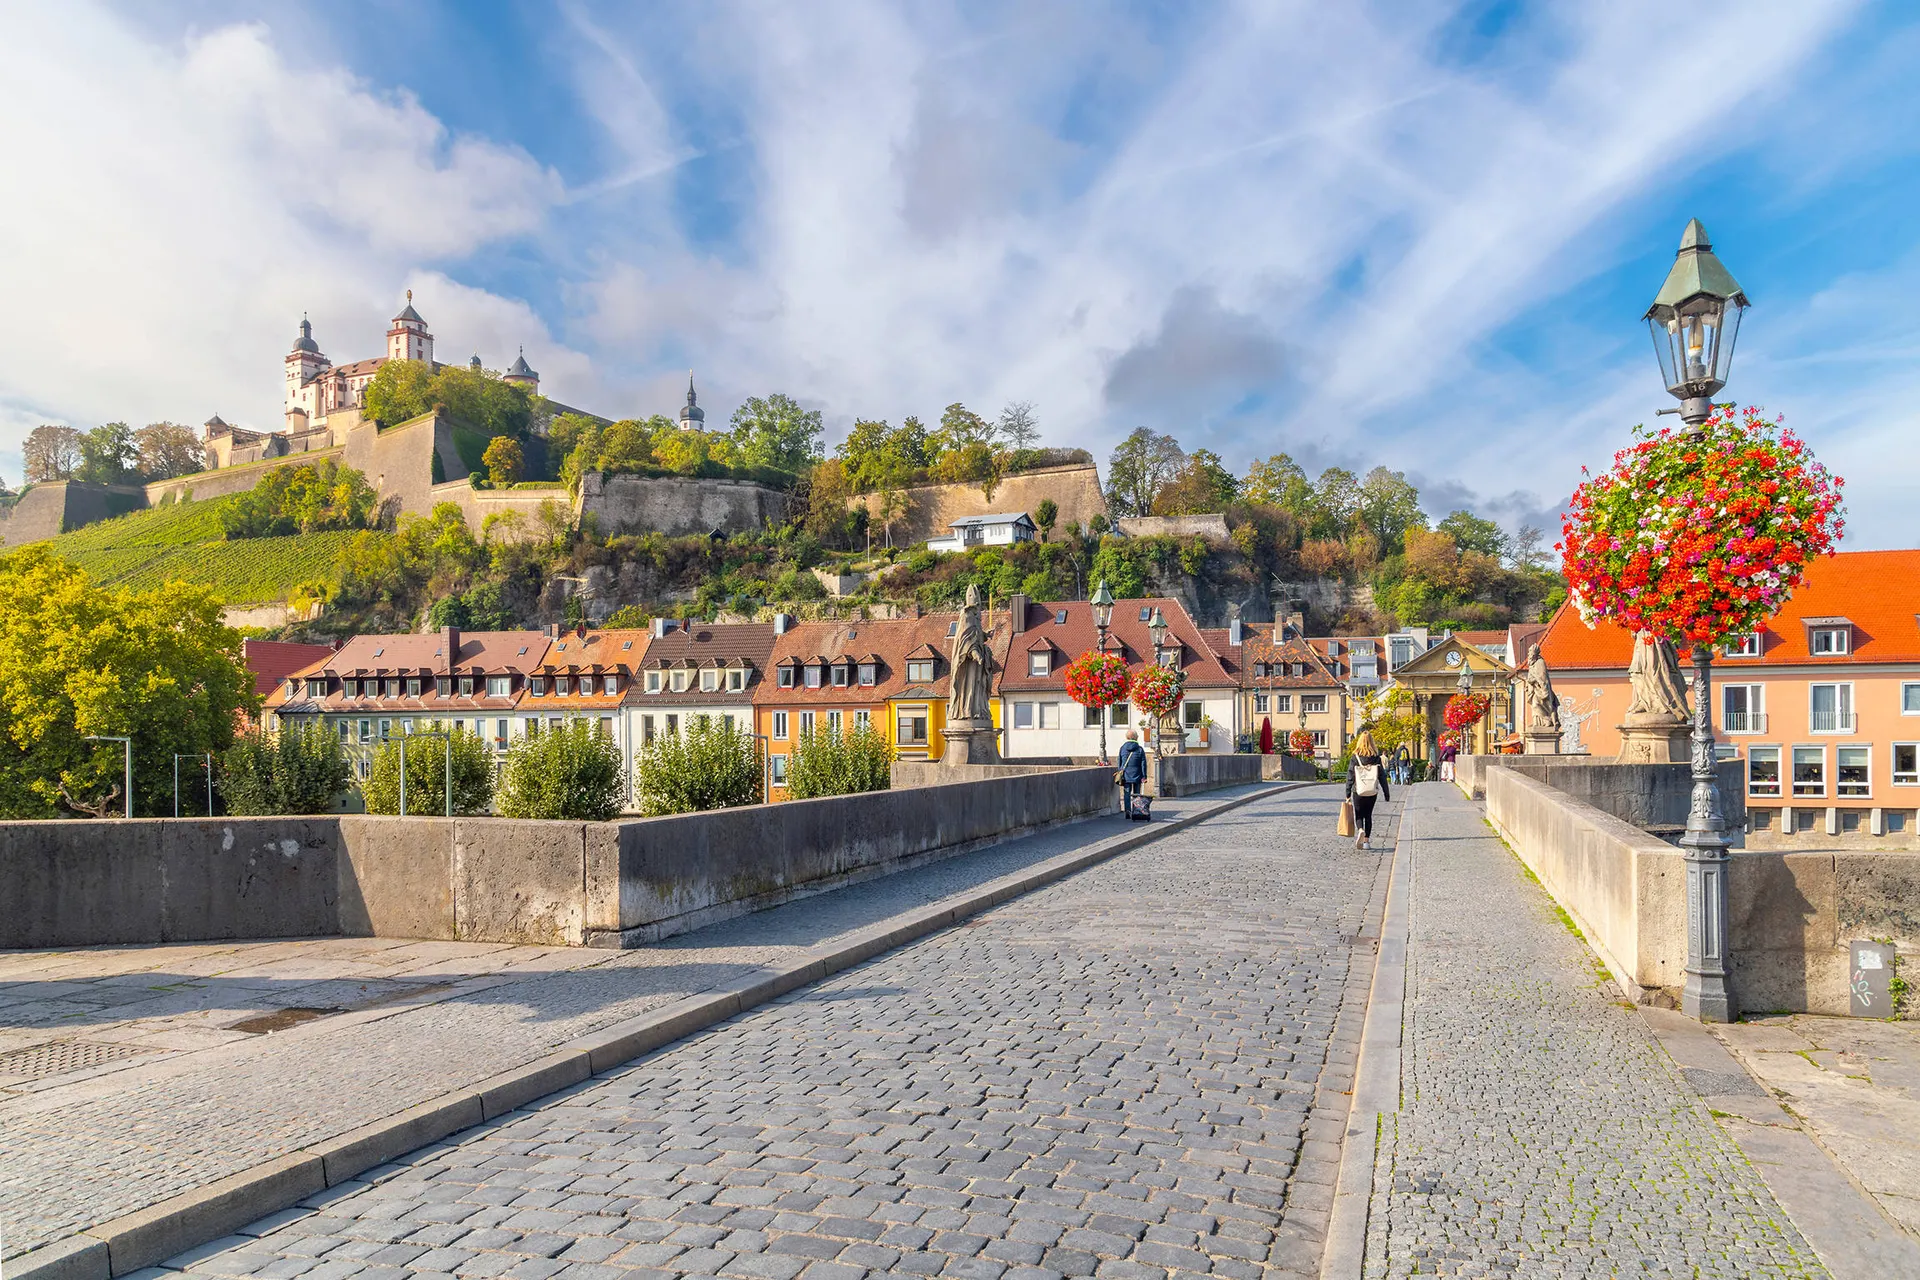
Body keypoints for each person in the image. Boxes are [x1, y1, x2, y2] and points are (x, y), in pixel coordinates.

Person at [1346, 728, 1390, 851]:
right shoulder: (1376, 757)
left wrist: (1347, 792)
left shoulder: (1355, 757)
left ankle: (1360, 829)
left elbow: (1350, 775)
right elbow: (1382, 776)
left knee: (1359, 814)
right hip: (1371, 791)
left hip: (1358, 790)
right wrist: (1386, 793)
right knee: (1368, 815)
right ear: (1371, 742)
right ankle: (1366, 841)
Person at [1116, 730, 1147, 815]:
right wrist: (1144, 776)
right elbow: (1143, 764)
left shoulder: (1122, 748)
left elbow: (1119, 761)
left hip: (1126, 774)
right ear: (1136, 737)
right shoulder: (1140, 749)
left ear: (1127, 737)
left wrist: (1120, 772)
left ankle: (1127, 811)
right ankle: (1135, 811)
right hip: (1137, 774)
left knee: (1127, 793)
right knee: (1136, 794)